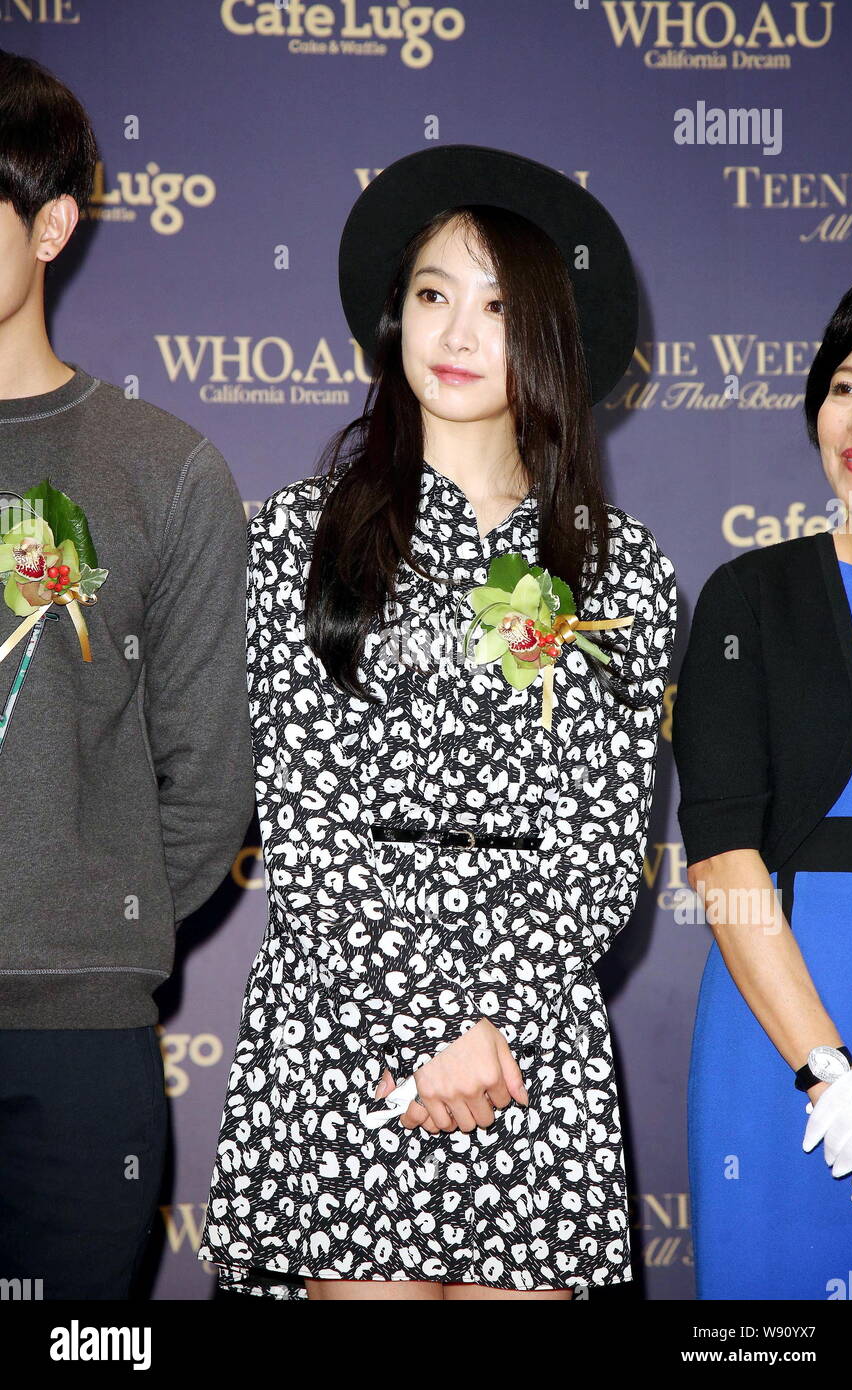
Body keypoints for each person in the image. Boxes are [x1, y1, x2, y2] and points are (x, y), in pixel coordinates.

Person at [199, 144, 677, 1301]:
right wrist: (418, 1025)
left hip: (529, 1043)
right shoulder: (295, 540)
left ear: (551, 333)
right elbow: (305, 819)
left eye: (499, 304)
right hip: (347, 1022)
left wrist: (488, 1024)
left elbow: (604, 847)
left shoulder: (622, 572)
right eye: (431, 295)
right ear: (394, 317)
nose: (457, 333)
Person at [0, 49, 254, 1299]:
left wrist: (95, 926)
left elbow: (210, 775)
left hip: (78, 1039)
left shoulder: (167, 470)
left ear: (51, 223)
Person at [673, 273, 852, 1300]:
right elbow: (720, 851)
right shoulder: (751, 594)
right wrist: (830, 1075)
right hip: (780, 1035)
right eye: (843, 385)